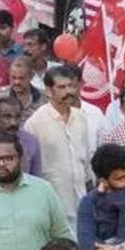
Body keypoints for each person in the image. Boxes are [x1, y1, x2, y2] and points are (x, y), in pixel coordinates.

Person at [23, 65, 93, 226]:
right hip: (53, 204)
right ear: (49, 91)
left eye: (71, 86)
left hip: (81, 201)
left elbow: (86, 163)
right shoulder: (35, 123)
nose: (69, 91)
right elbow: (30, 169)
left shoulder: (81, 118)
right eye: (62, 87)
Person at [0, 56, 45, 122]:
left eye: (21, 78)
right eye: (13, 78)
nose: (17, 82)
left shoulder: (44, 98)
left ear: (31, 76)